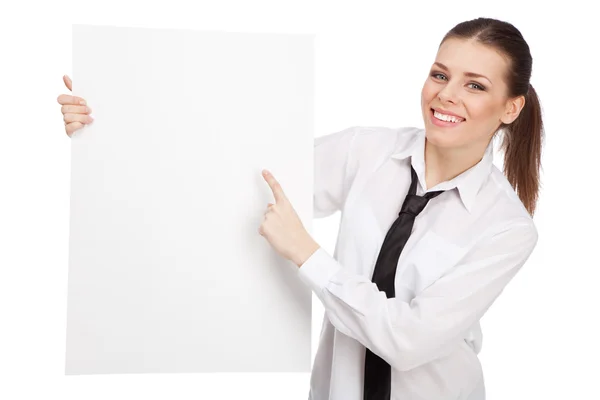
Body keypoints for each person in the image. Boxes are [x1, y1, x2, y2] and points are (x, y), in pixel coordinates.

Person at [57, 17, 543, 400]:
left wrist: (308, 256)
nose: (446, 94)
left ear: (510, 107)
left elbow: (408, 340)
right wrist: (106, 128)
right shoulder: (366, 152)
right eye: (440, 74)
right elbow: (230, 180)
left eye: (475, 85)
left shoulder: (506, 229)